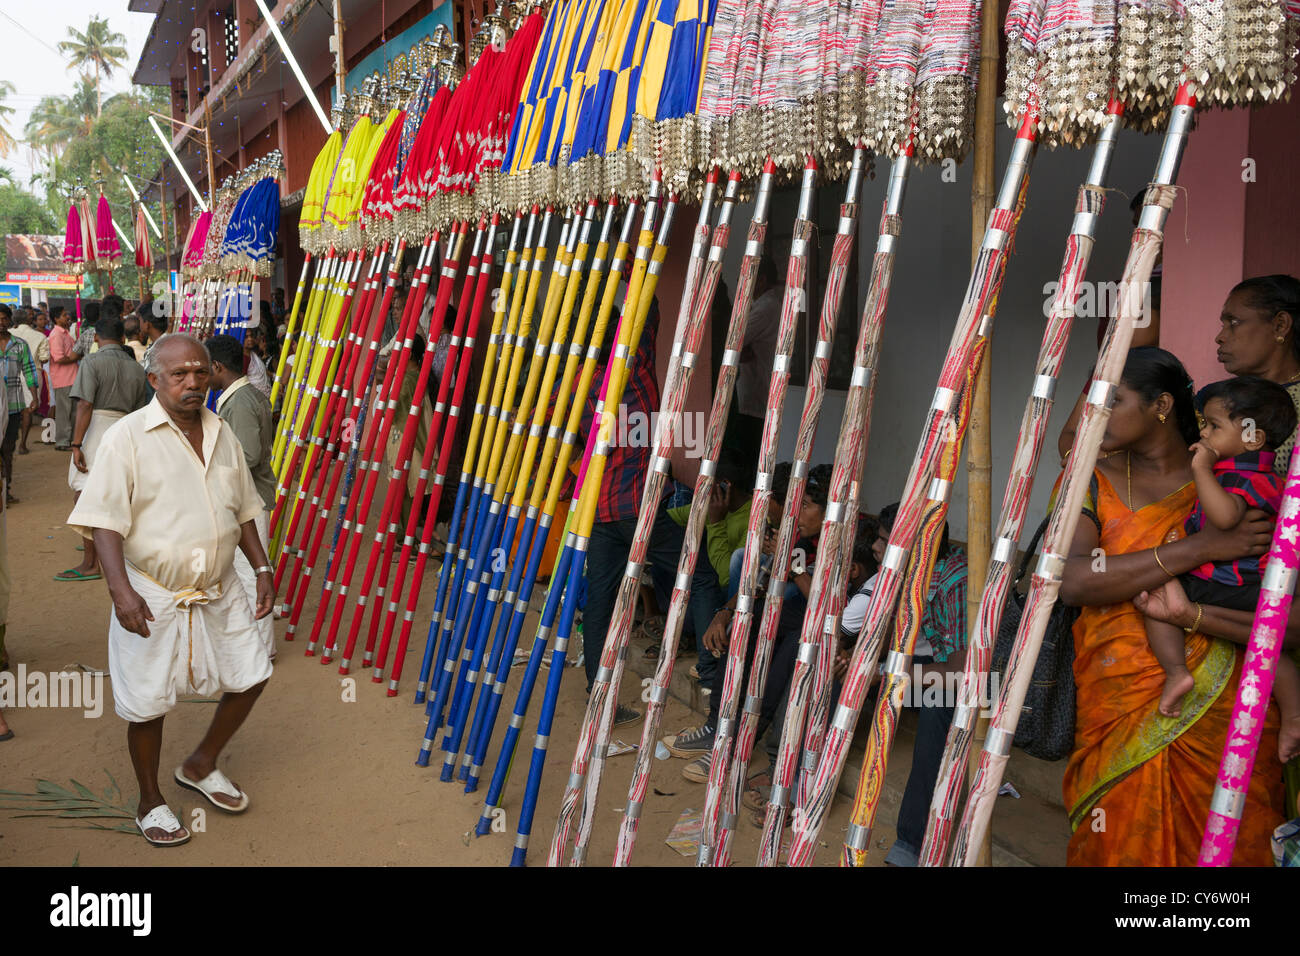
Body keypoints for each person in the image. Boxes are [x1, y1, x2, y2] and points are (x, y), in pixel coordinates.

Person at [1060, 347, 1288, 865]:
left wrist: (1193, 616)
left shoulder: (1236, 484)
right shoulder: (1088, 479)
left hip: (1226, 699)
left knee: (1232, 834)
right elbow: (1074, 580)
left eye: (1113, 400)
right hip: (1118, 693)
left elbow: (1283, 619)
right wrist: (1200, 548)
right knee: (1120, 836)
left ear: (1161, 405)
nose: (1096, 415)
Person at [67, 333, 275, 846]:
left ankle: (201, 764)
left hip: (220, 586)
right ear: (153, 378)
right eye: (179, 374)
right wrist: (120, 591)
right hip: (152, 590)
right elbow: (104, 522)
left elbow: (244, 507)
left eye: (200, 372)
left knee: (252, 673)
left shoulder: (222, 430)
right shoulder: (128, 438)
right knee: (147, 702)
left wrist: (263, 568)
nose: (192, 383)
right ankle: (150, 800)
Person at [1138, 377, 1300, 756]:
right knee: (1268, 651)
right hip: (1253, 588)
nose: (1205, 434)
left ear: (1253, 438)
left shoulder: (1241, 476)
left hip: (1226, 584)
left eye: (1214, 426)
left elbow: (1226, 519)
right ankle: (1293, 716)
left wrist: (1201, 468)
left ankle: (1176, 672)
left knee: (1151, 586)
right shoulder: (1265, 477)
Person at [675, 464, 832, 782]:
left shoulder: (837, 545)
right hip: (792, 618)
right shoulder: (801, 539)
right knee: (744, 625)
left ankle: (733, 748)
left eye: (805, 505)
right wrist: (726, 613)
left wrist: (792, 567)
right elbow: (759, 584)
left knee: (781, 656)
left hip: (821, 633)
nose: (796, 512)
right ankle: (717, 725)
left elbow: (827, 606)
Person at [861, 503, 968, 867]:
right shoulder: (911, 572)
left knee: (940, 702)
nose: (875, 547)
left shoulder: (955, 581)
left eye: (883, 540)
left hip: (983, 684)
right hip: (938, 668)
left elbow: (961, 674)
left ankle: (911, 845)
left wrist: (888, 674)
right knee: (852, 666)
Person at [56, 308, 149, 583]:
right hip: (126, 428)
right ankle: (116, 555)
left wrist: (75, 443)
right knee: (119, 493)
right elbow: (140, 409)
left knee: (86, 495)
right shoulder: (136, 368)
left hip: (96, 429)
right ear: (122, 338)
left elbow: (85, 404)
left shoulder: (92, 362)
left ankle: (90, 563)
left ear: (96, 337)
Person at [207, 334, 277, 660]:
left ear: (218, 367)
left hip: (250, 499)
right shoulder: (247, 397)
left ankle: (262, 649)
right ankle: (252, 643)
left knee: (253, 575)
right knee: (245, 573)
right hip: (248, 497)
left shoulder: (241, 402)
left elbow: (247, 455)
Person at [665, 453, 754, 685]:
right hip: (708, 597)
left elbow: (726, 576)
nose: (699, 490)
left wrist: (715, 522)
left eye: (706, 485)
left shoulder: (752, 515)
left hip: (732, 599)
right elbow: (669, 519)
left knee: (730, 562)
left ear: (725, 485)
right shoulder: (706, 505)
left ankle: (712, 659)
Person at [723, 257, 783, 457]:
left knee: (746, 456)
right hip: (754, 392)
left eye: (751, 279)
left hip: (755, 394)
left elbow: (732, 341)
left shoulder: (767, 307)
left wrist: (739, 351)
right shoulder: (763, 304)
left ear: (763, 280)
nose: (746, 285)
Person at [0, 304, 38, 504]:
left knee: (8, 448)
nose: (1, 322)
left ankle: (6, 490)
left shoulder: (20, 345)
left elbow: (30, 371)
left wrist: (34, 395)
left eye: (4, 318)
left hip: (14, 405)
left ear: (10, 320)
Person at [11, 308, 49, 453]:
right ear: (29, 320)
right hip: (32, 373)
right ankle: (23, 445)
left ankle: (8, 440)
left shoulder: (8, 334)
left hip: (9, 372)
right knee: (28, 409)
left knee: (8, 408)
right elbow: (44, 359)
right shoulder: (39, 336)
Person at [47, 306, 79, 451]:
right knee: (64, 411)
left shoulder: (65, 333)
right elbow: (59, 358)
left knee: (72, 410)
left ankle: (69, 440)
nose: (67, 317)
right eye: (64, 315)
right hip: (63, 378)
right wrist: (75, 357)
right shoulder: (56, 335)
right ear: (56, 319)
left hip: (71, 377)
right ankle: (62, 441)